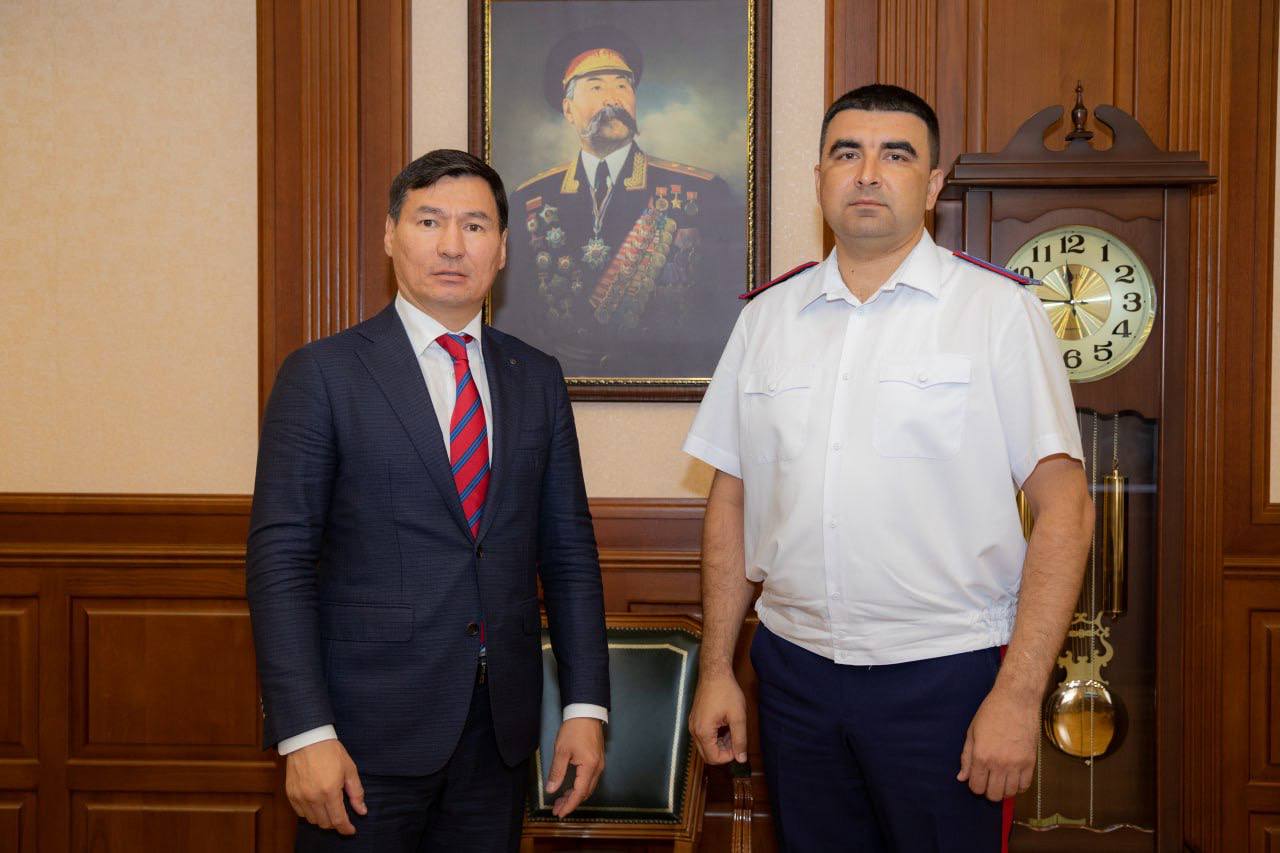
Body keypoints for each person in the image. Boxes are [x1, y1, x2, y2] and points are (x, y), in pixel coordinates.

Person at [683, 84, 1095, 852]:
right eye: (848, 153)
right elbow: (731, 501)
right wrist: (716, 668)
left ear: (932, 185)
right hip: (795, 676)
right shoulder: (765, 320)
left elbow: (1065, 508)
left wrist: (1017, 694)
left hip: (946, 679)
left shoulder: (997, 312)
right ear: (820, 178)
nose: (868, 173)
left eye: (895, 155)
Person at [245, 149, 610, 853]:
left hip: (498, 739)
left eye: (474, 226)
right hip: (359, 741)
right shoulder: (322, 374)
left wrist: (585, 705)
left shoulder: (535, 378)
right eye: (429, 221)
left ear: (502, 248)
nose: (451, 245)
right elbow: (279, 563)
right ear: (390, 235)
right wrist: (305, 732)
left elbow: (569, 554)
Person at [500, 25, 744, 378]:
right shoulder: (531, 199)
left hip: (664, 388)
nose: (612, 99)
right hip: (561, 386)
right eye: (596, 87)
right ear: (568, 109)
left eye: (622, 85)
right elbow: (517, 318)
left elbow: (722, 316)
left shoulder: (703, 192)